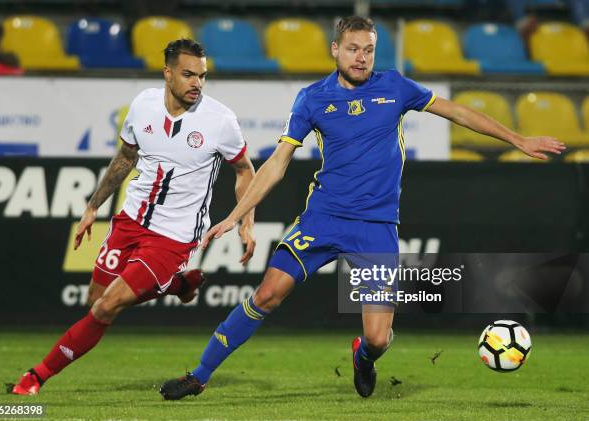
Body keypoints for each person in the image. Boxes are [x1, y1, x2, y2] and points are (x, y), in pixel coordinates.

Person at [159, 16, 565, 400]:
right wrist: (234, 215)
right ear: (335, 50)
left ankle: (363, 357)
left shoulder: (396, 87)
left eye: (368, 50)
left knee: (376, 338)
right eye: (353, 49)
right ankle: (199, 376)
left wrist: (517, 139)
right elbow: (278, 162)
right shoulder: (313, 99)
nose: (361, 58)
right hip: (323, 218)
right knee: (267, 293)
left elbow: (456, 111)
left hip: (375, 227)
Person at [10, 39, 256, 395]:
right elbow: (126, 157)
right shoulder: (143, 105)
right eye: (188, 74)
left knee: (107, 306)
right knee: (95, 302)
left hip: (174, 236)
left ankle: (36, 377)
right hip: (130, 220)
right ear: (167, 73)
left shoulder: (220, 120)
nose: (197, 83)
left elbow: (246, 171)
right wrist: (93, 206)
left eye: (202, 76)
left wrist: (245, 221)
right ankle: (177, 285)